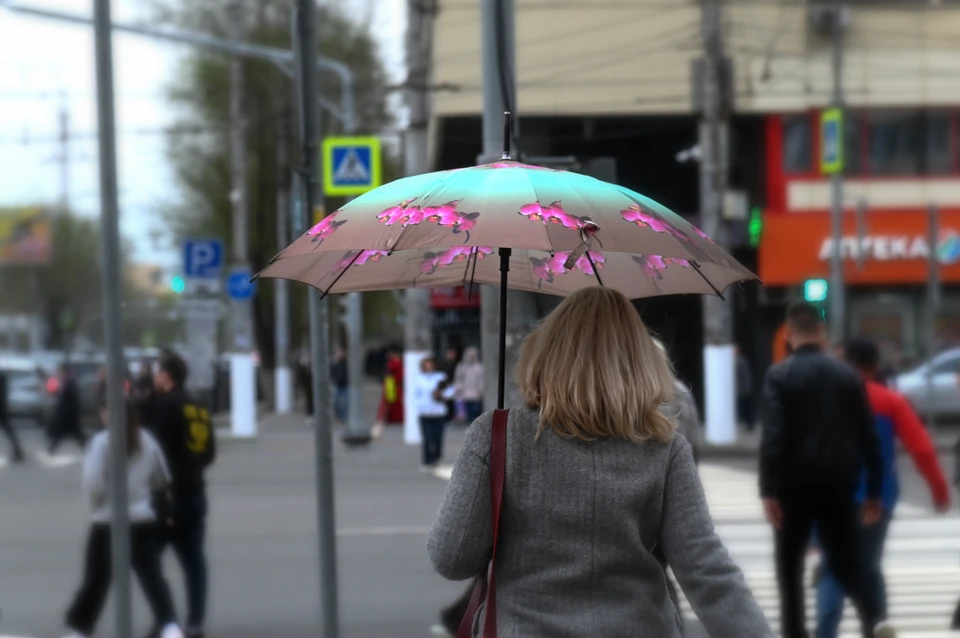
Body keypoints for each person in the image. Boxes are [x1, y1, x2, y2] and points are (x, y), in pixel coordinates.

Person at [427, 287, 770, 637]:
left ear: (545, 353)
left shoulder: (498, 436)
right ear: (641, 361)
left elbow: (451, 558)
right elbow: (706, 571)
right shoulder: (666, 450)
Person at [760, 301, 890, 638]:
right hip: (839, 483)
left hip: (793, 486)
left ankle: (795, 632)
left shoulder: (779, 375)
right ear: (821, 331)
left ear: (790, 333)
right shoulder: (848, 375)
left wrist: (768, 490)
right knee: (847, 561)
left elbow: (773, 435)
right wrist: (874, 492)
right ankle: (875, 620)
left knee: (789, 567)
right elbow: (868, 437)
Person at [816, 338, 950, 638]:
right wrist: (939, 489)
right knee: (869, 565)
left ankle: (826, 631)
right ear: (875, 366)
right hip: (877, 500)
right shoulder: (891, 402)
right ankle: (876, 625)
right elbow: (922, 449)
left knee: (833, 567)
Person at [61, 399, 183, 638]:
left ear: (109, 414)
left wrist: (97, 503)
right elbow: (161, 477)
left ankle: (80, 628)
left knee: (97, 579)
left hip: (107, 521)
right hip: (142, 520)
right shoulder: (146, 439)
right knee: (152, 577)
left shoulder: (101, 442)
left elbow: (93, 483)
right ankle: (169, 625)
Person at [150, 355, 216, 638]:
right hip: (196, 493)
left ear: (166, 376)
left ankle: (165, 619)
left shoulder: (166, 407)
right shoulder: (197, 406)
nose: (155, 378)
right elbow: (209, 453)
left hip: (169, 498)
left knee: (147, 560)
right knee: (194, 564)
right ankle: (195, 623)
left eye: (157, 373)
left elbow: (156, 453)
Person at [415, 356, 454, 471]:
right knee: (427, 437)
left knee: (437, 437)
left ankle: (437, 457)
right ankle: (427, 460)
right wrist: (420, 405)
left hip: (438, 412)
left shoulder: (440, 377)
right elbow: (415, 395)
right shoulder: (419, 378)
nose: (429, 367)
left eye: (430, 364)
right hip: (425, 412)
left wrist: (441, 395)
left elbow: (450, 391)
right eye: (426, 365)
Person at [49, 364, 86, 455]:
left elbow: (70, 400)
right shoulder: (66, 382)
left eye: (61, 372)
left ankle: (51, 450)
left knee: (73, 434)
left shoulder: (70, 383)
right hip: (68, 414)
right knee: (73, 435)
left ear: (65, 372)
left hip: (69, 415)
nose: (59, 374)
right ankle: (51, 449)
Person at [453, 346, 484, 425]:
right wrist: (459, 388)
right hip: (465, 393)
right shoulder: (461, 366)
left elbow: (480, 380)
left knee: (475, 410)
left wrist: (481, 390)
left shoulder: (479, 367)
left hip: (475, 393)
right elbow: (458, 379)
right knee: (467, 412)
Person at [0, 368, 24, 463]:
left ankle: (18, 452)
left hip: (1, 409)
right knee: (9, 431)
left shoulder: (2, 377)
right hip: (3, 408)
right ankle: (18, 452)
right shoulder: (3, 377)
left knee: (9, 431)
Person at [736, 345, 754, 431]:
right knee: (745, 408)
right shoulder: (740, 361)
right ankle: (748, 424)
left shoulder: (741, 362)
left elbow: (744, 377)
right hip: (743, 389)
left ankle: (749, 424)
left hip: (743, 390)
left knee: (745, 408)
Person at [330, 349, 348, 422]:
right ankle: (338, 414)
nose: (340, 355)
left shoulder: (346, 364)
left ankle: (343, 416)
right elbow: (332, 373)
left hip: (345, 386)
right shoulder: (335, 365)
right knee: (336, 402)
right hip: (337, 385)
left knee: (345, 403)